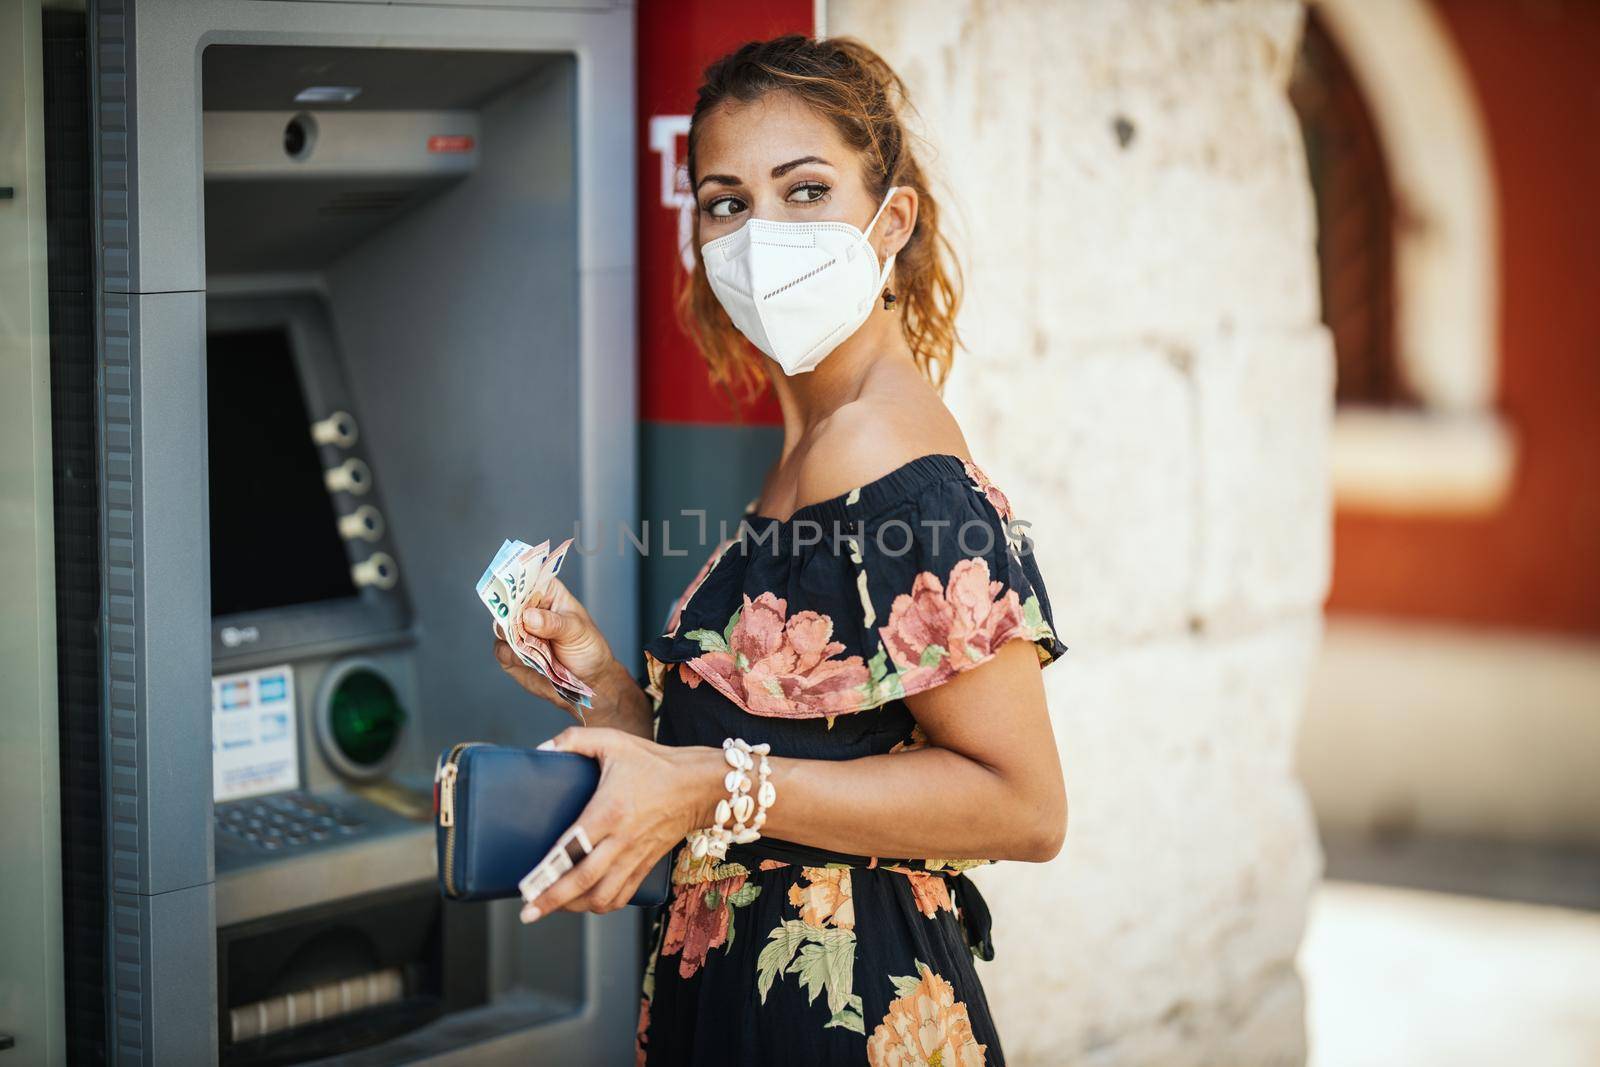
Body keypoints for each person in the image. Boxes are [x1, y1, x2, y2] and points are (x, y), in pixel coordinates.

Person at [492, 34, 1067, 1067]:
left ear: (890, 219)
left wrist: (714, 785)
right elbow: (803, 746)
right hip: (752, 1001)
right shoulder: (812, 443)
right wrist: (612, 692)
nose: (761, 232)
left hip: (850, 1012)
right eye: (726, 201)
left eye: (805, 192)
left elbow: (1022, 804)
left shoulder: (890, 457)